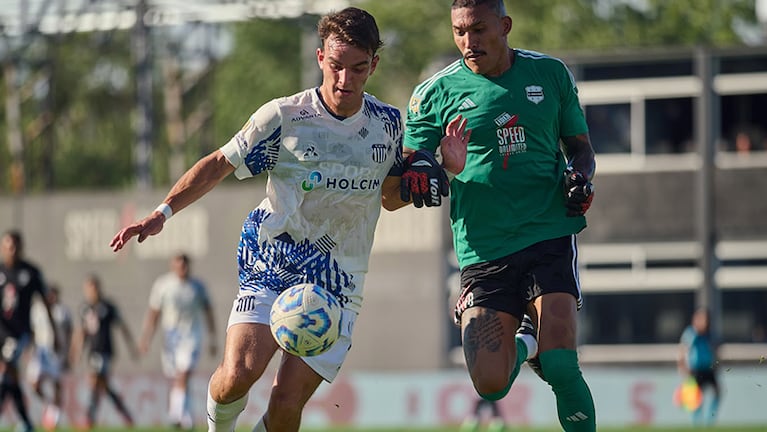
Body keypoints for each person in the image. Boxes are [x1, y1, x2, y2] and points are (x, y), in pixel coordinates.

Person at [109, 7, 446, 432]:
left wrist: (440, 167)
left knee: (286, 405)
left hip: (338, 280)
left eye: (358, 69)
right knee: (238, 375)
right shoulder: (285, 117)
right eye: (337, 66)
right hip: (273, 259)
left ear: (374, 65)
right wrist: (162, 212)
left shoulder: (389, 125)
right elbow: (219, 163)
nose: (345, 80)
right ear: (321, 57)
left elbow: (390, 199)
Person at [402, 1, 597, 431]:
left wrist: (580, 178)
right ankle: (527, 342)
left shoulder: (550, 74)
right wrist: (435, 165)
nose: (468, 43)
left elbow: (580, 147)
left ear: (505, 26)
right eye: (459, 32)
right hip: (483, 248)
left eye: (477, 30)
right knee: (490, 386)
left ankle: (542, 346)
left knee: (562, 365)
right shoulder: (434, 93)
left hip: (548, 234)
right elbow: (410, 167)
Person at [139, 253, 217, 429]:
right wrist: (146, 338)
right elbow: (154, 313)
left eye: (185, 265)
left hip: (191, 336)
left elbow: (208, 312)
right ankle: (186, 418)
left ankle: (175, 414)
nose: (182, 269)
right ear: (172, 266)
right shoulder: (164, 285)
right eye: (179, 265)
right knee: (178, 377)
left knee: (184, 372)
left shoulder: (197, 287)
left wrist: (213, 338)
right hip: (171, 337)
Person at [0, 230, 59, 432]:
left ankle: (23, 421)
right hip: (1, 331)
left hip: (19, 333)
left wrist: (54, 332)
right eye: (8, 247)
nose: (12, 251)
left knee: (6, 370)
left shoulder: (31, 272)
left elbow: (46, 303)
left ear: (21, 247)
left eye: (15, 246)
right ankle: (26, 421)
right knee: (11, 376)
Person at [69, 274, 138, 429]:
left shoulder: (108, 307)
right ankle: (125, 412)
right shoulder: (84, 308)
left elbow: (122, 327)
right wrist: (76, 352)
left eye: (94, 288)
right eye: (89, 289)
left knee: (94, 381)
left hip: (105, 351)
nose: (92, 292)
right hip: (92, 352)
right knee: (103, 386)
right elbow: (81, 332)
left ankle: (89, 418)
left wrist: (132, 347)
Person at [27, 284, 73, 430]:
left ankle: (55, 415)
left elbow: (68, 332)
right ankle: (49, 404)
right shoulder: (37, 310)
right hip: (41, 351)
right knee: (34, 383)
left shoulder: (62, 311)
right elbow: (33, 330)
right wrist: (30, 348)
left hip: (56, 353)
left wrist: (68, 353)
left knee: (56, 384)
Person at [677, 307, 721, 426]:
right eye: (701, 319)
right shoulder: (691, 334)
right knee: (696, 398)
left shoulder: (710, 334)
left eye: (706, 319)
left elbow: (716, 350)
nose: (704, 322)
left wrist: (717, 364)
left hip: (709, 369)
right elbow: (682, 351)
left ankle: (709, 421)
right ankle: (696, 423)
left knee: (717, 392)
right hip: (695, 371)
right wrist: (683, 368)